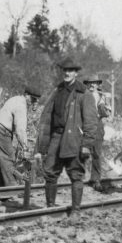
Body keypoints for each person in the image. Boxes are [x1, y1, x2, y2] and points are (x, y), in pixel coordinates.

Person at [35, 57, 97, 215]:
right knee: (50, 172)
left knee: (76, 174)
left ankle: (76, 210)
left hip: (74, 140)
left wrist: (86, 145)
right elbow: (47, 117)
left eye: (70, 70)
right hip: (56, 137)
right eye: (65, 70)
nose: (67, 73)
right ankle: (50, 207)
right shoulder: (58, 90)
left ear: (76, 73)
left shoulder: (84, 93)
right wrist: (42, 144)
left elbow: (90, 122)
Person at [0, 86, 42, 187]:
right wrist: (25, 147)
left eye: (36, 100)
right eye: (33, 99)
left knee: (2, 160)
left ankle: (2, 188)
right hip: (2, 131)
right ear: (26, 95)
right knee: (9, 160)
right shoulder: (21, 106)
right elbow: (20, 130)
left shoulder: (16, 99)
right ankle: (12, 189)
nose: (34, 101)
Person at [82, 74, 112, 191]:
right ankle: (79, 178)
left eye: (94, 83)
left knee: (96, 154)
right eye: (90, 83)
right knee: (82, 153)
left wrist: (104, 108)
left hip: (97, 125)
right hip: (84, 125)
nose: (92, 85)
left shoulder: (102, 96)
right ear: (87, 84)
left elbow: (108, 112)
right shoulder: (82, 96)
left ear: (98, 85)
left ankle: (95, 180)